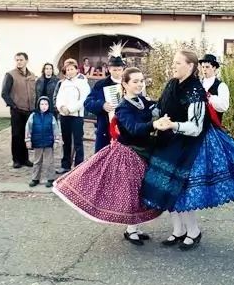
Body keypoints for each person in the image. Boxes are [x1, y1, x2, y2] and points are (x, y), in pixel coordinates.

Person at [141, 50, 234, 250]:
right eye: (173, 62)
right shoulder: (171, 84)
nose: (173, 66)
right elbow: (159, 108)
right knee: (167, 188)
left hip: (189, 145)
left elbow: (195, 127)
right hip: (168, 143)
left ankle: (193, 232)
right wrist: (137, 111)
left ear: (190, 66)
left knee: (182, 190)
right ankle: (178, 231)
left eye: (177, 62)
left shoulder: (196, 90)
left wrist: (172, 125)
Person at [53, 68, 162, 244]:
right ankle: (131, 231)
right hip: (128, 154)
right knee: (131, 192)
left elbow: (151, 108)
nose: (140, 84)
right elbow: (134, 128)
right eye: (135, 81)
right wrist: (154, 123)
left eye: (141, 80)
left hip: (142, 153)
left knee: (139, 192)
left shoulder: (141, 100)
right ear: (125, 84)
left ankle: (133, 228)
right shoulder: (123, 107)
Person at [84, 45, 126, 153]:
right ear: (109, 69)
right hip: (104, 129)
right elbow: (88, 103)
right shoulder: (101, 84)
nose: (117, 72)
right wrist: (101, 105)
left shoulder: (128, 83)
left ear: (123, 69)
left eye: (119, 70)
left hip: (124, 129)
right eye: (114, 70)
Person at [1, 52, 37, 169]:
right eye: (17, 60)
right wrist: (13, 106)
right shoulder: (10, 75)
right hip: (17, 110)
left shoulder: (32, 75)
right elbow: (4, 93)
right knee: (16, 135)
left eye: (21, 60)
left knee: (26, 135)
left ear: (26, 60)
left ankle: (25, 159)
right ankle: (16, 160)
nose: (19, 62)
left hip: (29, 110)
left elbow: (34, 92)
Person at [55, 59, 91, 174]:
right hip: (64, 115)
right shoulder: (63, 83)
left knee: (78, 142)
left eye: (72, 69)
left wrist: (70, 109)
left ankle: (78, 166)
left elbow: (83, 100)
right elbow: (59, 97)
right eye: (68, 69)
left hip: (76, 116)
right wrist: (61, 107)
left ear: (76, 69)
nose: (70, 71)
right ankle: (65, 164)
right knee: (66, 141)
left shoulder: (82, 83)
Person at [24, 96, 56, 188]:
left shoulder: (51, 116)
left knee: (49, 161)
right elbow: (28, 128)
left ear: (49, 105)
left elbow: (55, 129)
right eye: (42, 104)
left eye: (46, 104)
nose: (44, 106)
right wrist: (28, 140)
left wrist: (56, 141)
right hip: (37, 142)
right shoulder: (33, 116)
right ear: (38, 105)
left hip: (48, 142)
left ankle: (50, 178)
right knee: (37, 161)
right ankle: (35, 178)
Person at [199, 54, 230, 122]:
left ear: (214, 68)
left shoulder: (221, 86)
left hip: (213, 126)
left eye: (207, 67)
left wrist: (209, 97)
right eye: (203, 67)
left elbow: (224, 106)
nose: (204, 69)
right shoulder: (198, 84)